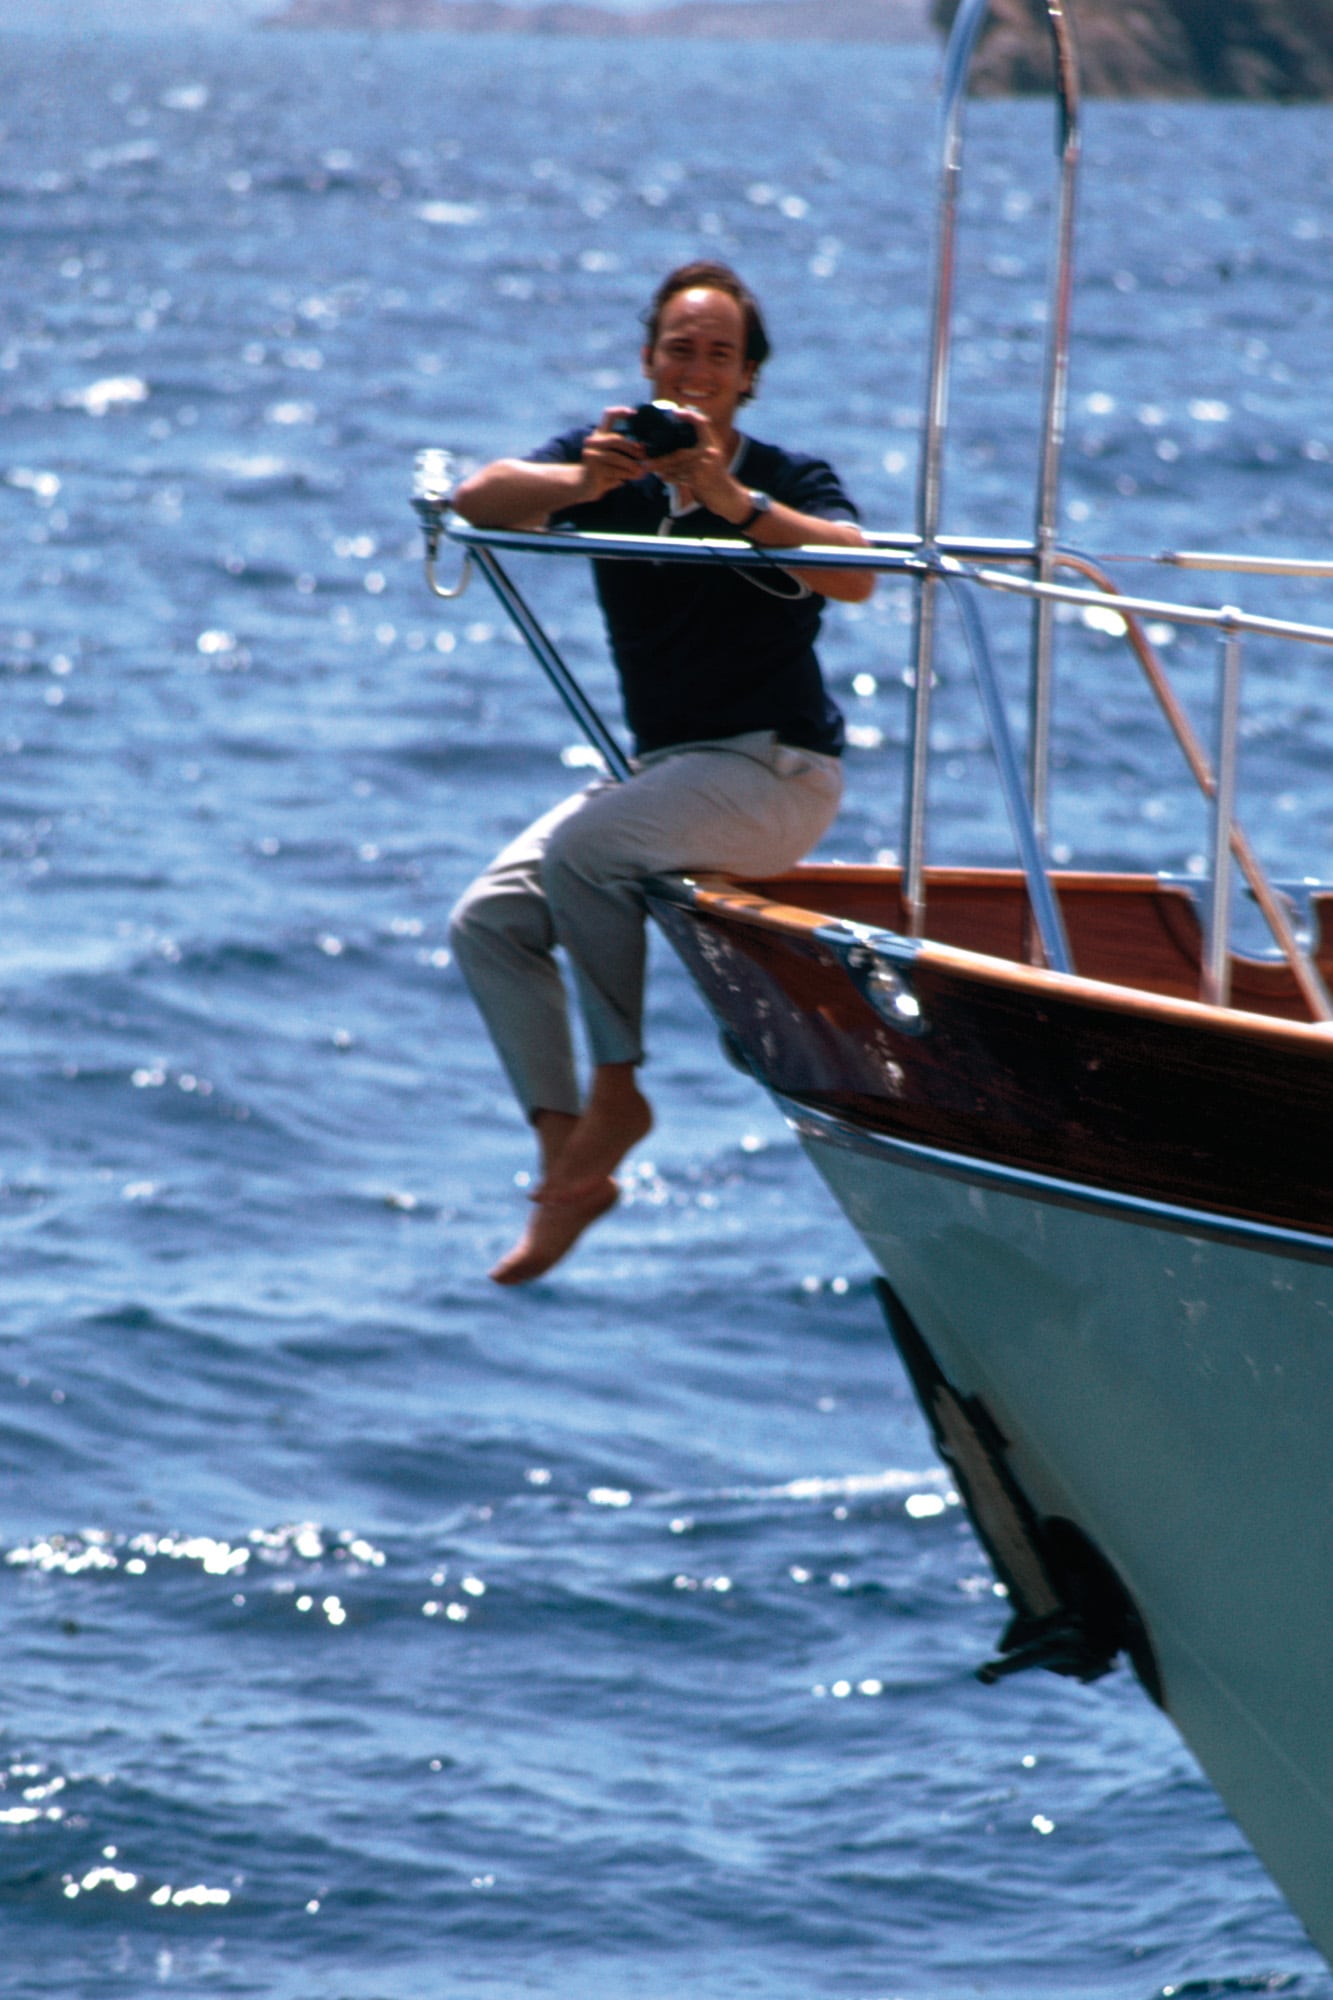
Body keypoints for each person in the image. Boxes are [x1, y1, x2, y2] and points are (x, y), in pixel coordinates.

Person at [449, 260, 873, 1285]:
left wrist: (730, 497)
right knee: (489, 921)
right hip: (671, 773)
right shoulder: (616, 464)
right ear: (646, 361)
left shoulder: (783, 475)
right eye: (678, 348)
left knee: (589, 848)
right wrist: (583, 485)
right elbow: (478, 496)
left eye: (718, 353)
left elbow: (855, 569)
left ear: (746, 379)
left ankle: (619, 1088)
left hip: (776, 776)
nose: (695, 367)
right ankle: (567, 1169)